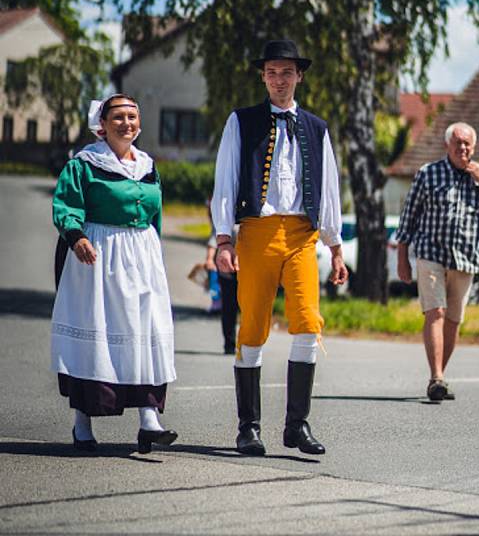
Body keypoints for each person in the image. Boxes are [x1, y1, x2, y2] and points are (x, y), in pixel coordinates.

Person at [211, 39, 348, 456]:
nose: (279, 79)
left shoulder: (316, 127)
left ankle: (296, 425)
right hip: (257, 231)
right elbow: (226, 179)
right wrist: (223, 239)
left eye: (286, 72)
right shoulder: (242, 121)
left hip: (302, 236)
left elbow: (329, 190)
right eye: (271, 72)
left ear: (299, 76)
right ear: (263, 77)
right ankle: (248, 428)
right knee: (252, 326)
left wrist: (336, 245)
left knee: (308, 321)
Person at [51, 94, 177, 453]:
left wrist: (154, 253)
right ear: (101, 125)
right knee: (98, 331)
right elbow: (66, 205)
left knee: (146, 329)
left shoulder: (148, 166)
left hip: (141, 256)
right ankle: (82, 424)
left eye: (133, 117)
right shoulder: (85, 165)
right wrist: (76, 237)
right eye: (118, 117)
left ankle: (149, 421)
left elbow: (155, 216)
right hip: (98, 254)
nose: (127, 123)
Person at [396, 121, 479, 401]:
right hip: (430, 254)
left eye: (467, 143)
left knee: (453, 321)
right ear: (447, 145)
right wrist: (402, 258)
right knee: (436, 313)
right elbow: (409, 217)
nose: (463, 148)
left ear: (474, 146)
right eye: (457, 142)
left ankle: (439, 378)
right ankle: (437, 377)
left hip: (465, 259)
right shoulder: (428, 174)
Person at [205, 210, 239, 354]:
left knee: (248, 308)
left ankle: (248, 343)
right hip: (228, 271)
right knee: (229, 308)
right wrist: (209, 259)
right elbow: (214, 241)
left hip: (248, 271)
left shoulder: (254, 220)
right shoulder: (225, 221)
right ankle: (229, 344)